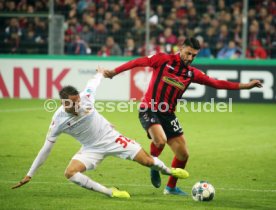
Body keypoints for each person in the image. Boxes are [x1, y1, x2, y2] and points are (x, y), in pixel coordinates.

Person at [101, 37, 263, 196]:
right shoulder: (163, 59)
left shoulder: (192, 73)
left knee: (183, 154)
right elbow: (137, 62)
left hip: (168, 114)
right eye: (188, 53)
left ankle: (171, 188)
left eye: (194, 55)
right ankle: (153, 164)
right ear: (181, 49)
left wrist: (245, 86)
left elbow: (216, 83)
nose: (190, 58)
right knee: (160, 139)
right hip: (148, 108)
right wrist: (115, 72)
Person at [11, 69, 189, 199]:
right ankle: (110, 192)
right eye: (74, 102)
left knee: (148, 161)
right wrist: (30, 174)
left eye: (78, 99)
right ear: (64, 103)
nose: (78, 104)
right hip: (91, 148)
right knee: (70, 173)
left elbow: (93, 83)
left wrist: (100, 73)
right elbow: (46, 148)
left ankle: (168, 170)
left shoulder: (86, 99)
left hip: (112, 138)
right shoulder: (58, 120)